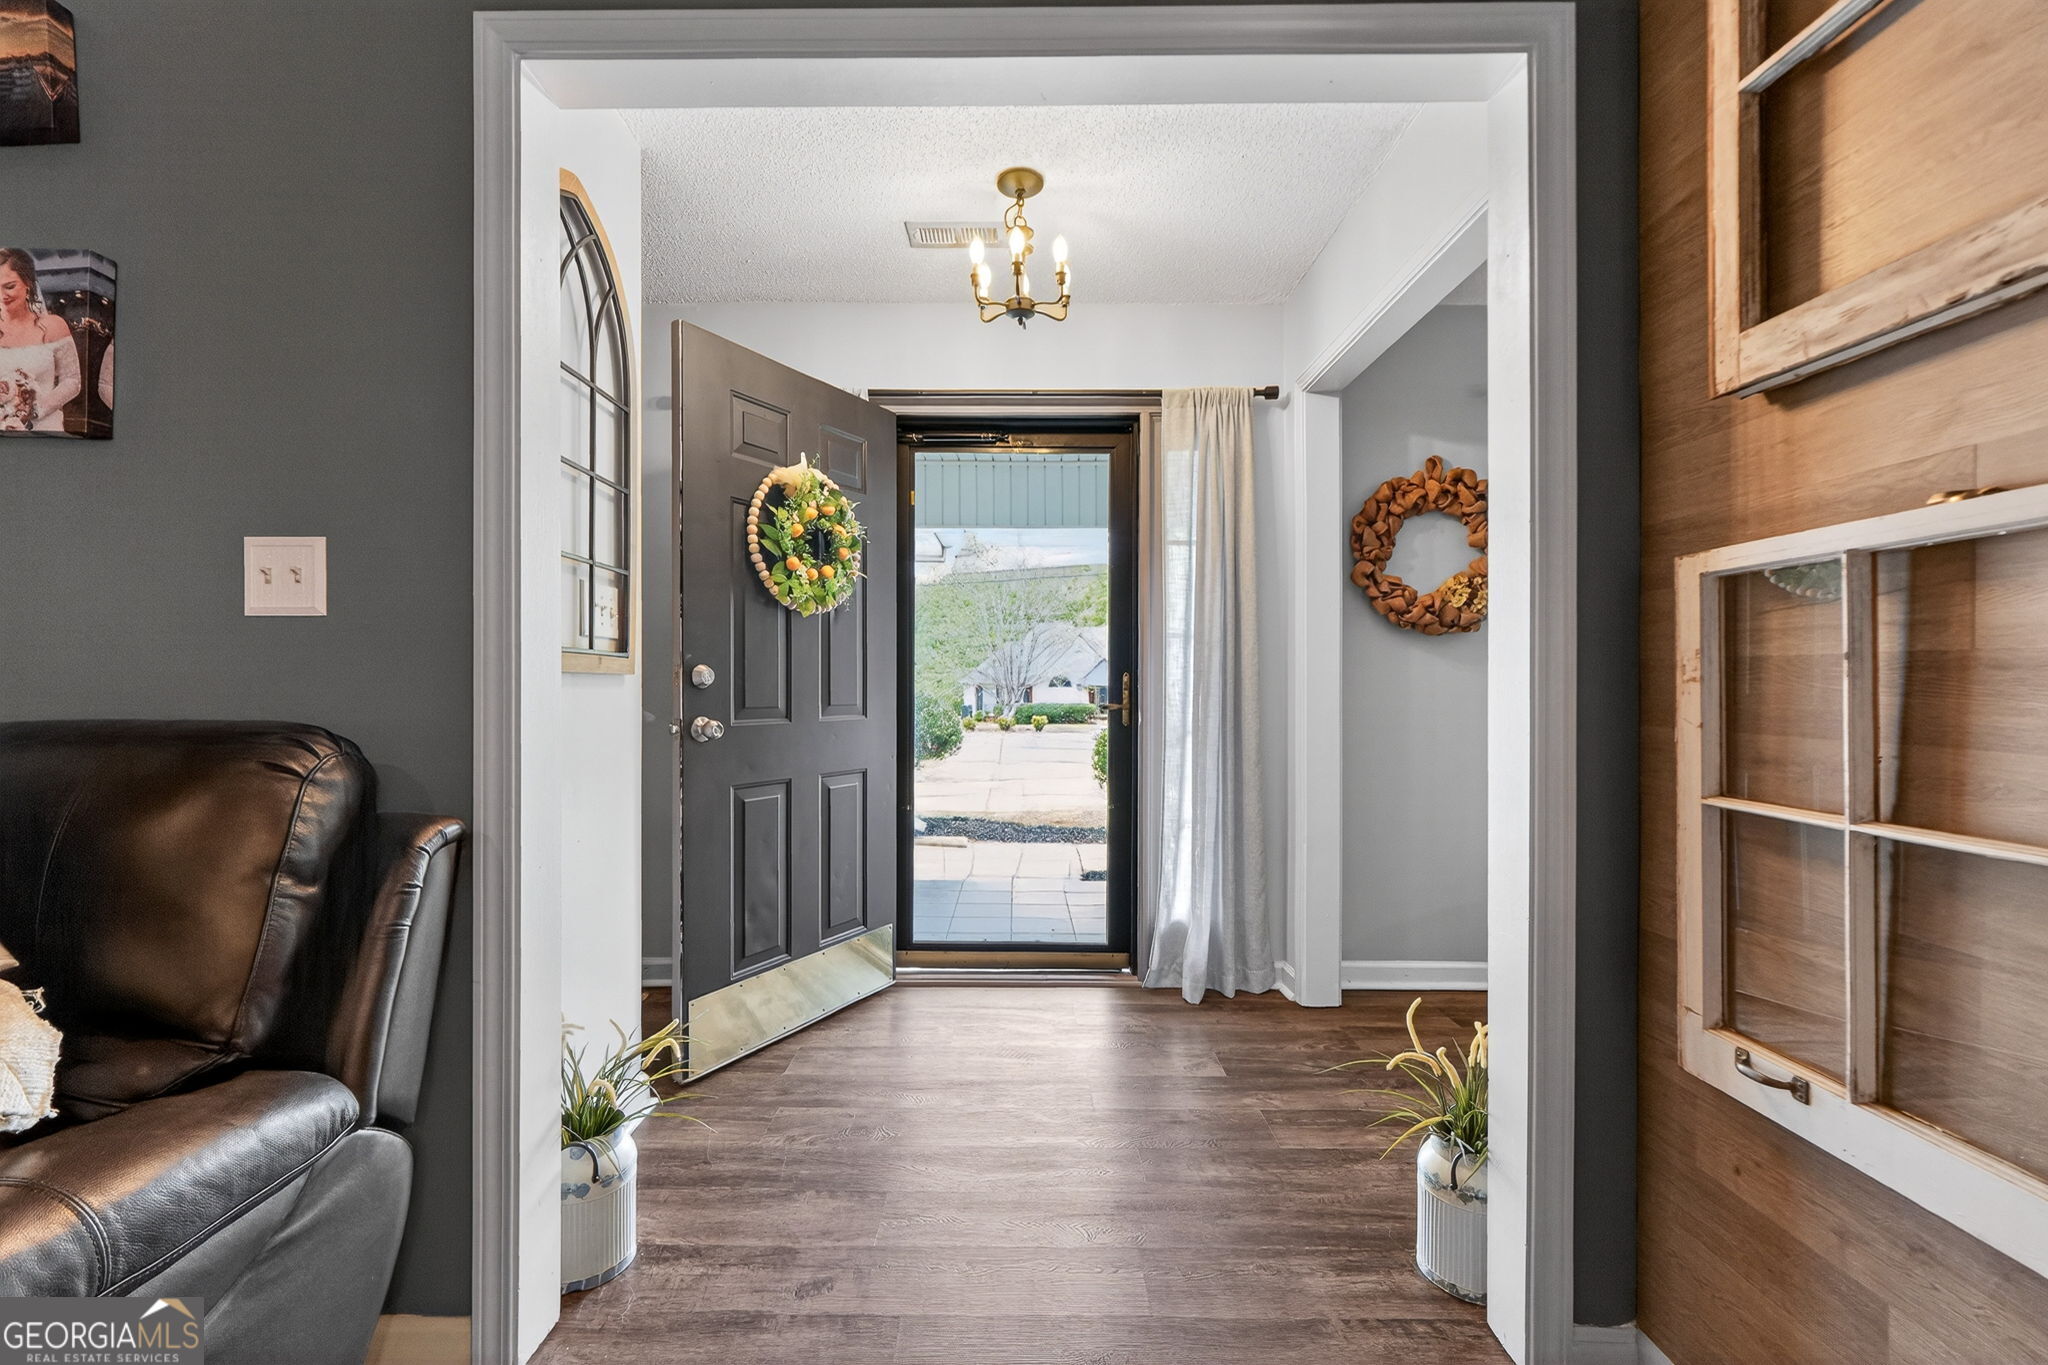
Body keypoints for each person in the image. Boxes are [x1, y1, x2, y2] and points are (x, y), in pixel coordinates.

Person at [0, 248, 82, 433]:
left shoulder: (53, 326)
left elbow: (72, 381)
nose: (1, 295)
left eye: (10, 286)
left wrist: (32, 412)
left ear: (28, 282)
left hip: (43, 428)